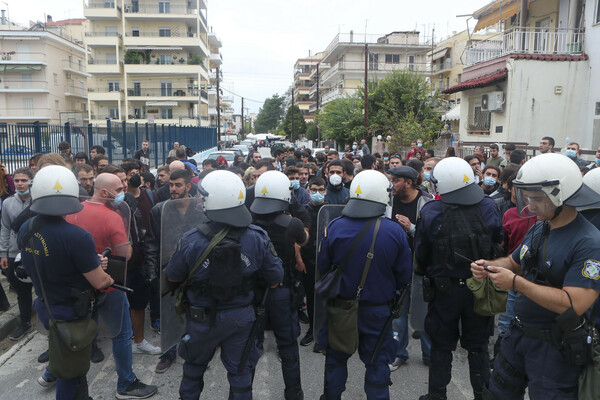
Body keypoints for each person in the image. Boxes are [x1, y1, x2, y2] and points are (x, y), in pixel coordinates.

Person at [471, 153, 600, 399]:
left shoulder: (590, 243)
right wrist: (488, 266)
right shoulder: (541, 226)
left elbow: (575, 303)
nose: (530, 206)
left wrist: (516, 284)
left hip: (555, 348)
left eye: (538, 199)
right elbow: (513, 262)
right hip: (520, 336)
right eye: (528, 198)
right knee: (497, 393)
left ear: (561, 197)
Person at [167, 170, 284, 400]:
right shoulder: (258, 237)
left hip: (201, 319)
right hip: (241, 318)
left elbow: (172, 276)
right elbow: (276, 276)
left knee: (193, 370)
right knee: (240, 375)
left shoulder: (191, 239)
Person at [18, 165, 114, 399]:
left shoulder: (26, 228)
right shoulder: (77, 236)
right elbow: (101, 282)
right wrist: (106, 273)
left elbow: (47, 262)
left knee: (69, 360)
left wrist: (86, 263)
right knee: (71, 372)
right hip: (71, 314)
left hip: (45, 305)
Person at [318, 170, 412, 400]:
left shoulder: (335, 226)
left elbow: (323, 267)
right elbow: (404, 275)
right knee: (377, 364)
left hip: (341, 308)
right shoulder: (395, 232)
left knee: (336, 361)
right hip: (378, 311)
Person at [415, 157, 503, 400]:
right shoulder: (488, 206)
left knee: (441, 346)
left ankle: (437, 395)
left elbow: (421, 253)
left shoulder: (431, 210)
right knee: (478, 347)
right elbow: (498, 241)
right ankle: (483, 395)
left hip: (444, 291)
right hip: (480, 287)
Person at [63, 173, 158, 399]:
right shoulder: (112, 217)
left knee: (80, 332)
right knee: (122, 334)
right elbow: (125, 254)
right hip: (109, 284)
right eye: (118, 188)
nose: (123, 190)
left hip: (79, 287)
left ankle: (53, 372)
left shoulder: (72, 212)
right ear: (104, 193)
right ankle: (126, 383)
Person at [251, 171, 308, 400]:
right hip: (283, 291)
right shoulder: (292, 223)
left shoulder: (247, 221)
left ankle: (242, 392)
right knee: (288, 347)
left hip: (254, 293)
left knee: (250, 347)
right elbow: (303, 240)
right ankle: (294, 393)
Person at [387, 166, 433, 370]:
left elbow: (434, 236)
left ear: (409, 182)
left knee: (423, 311)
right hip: (396, 266)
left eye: (396, 180)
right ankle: (398, 353)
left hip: (422, 266)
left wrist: (411, 228)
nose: (392, 184)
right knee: (398, 313)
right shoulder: (388, 201)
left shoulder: (427, 202)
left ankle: (430, 354)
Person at [1, 167, 34, 339]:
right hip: (15, 252)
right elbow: (5, 228)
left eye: (24, 180)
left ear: (31, 181)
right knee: (22, 291)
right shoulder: (7, 203)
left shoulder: (39, 201)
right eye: (17, 180)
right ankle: (25, 322)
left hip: (37, 250)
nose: (20, 184)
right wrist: (3, 254)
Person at [298, 176, 327, 352]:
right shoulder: (302, 211)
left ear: (325, 190)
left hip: (326, 260)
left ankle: (323, 333)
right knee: (311, 296)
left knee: (325, 298)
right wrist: (299, 259)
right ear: (308, 191)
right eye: (314, 190)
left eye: (321, 189)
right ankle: (312, 330)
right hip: (308, 260)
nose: (317, 193)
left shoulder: (330, 209)